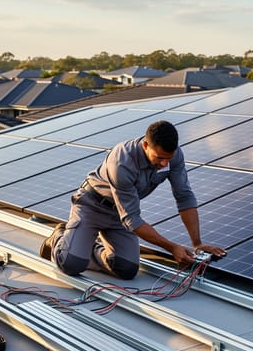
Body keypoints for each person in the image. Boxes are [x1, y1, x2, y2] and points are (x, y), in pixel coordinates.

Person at [40, 120, 226, 279]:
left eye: (168, 158)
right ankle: (59, 238)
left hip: (118, 214)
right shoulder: (122, 162)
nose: (164, 164)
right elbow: (132, 219)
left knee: (126, 268)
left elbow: (184, 197)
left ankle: (83, 246)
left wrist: (197, 243)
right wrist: (172, 248)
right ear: (145, 145)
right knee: (71, 264)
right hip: (92, 206)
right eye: (159, 158)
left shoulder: (174, 156)